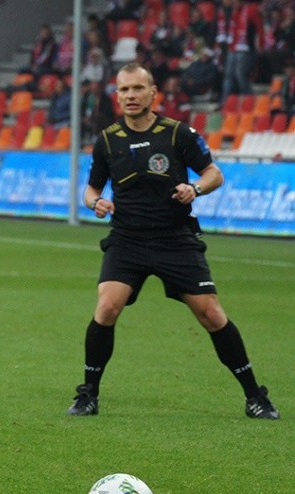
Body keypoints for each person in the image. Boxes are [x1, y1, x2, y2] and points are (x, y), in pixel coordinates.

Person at [66, 62, 279, 421]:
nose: (130, 96)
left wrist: (193, 188)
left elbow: (214, 174)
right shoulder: (107, 140)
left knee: (211, 313)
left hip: (175, 239)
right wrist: (95, 203)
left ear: (153, 93)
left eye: (137, 89)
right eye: (124, 90)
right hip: (127, 239)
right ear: (117, 96)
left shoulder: (179, 134)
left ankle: (255, 396)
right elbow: (91, 189)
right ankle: (88, 394)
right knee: (106, 308)